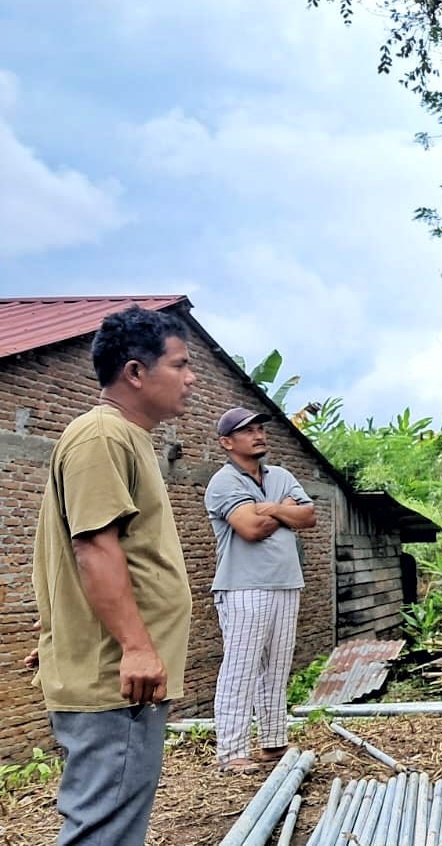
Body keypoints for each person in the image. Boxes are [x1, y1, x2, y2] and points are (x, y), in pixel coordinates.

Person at [32, 306, 196, 846]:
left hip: (117, 675)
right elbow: (95, 548)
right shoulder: (101, 437)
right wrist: (136, 646)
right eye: (180, 364)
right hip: (116, 682)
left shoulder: (124, 437)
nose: (192, 378)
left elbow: (82, 547)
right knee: (104, 831)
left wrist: (64, 627)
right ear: (135, 372)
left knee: (114, 823)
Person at [205, 407, 317, 773]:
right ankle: (232, 752)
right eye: (247, 430)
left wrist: (269, 508)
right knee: (241, 669)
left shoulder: (281, 475)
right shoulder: (224, 482)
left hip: (287, 582)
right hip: (243, 587)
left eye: (259, 428)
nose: (258, 434)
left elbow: (309, 516)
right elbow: (250, 529)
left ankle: (273, 743)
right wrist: (284, 509)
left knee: (277, 668)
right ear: (227, 442)